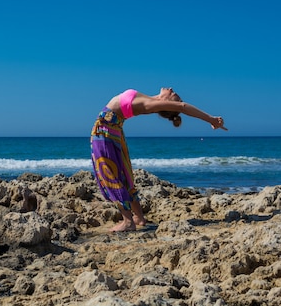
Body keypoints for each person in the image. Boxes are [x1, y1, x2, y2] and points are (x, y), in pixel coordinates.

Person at [90, 88, 227, 232]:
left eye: (175, 95)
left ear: (167, 103)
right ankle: (139, 217)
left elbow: (183, 107)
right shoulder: (150, 100)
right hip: (112, 131)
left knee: (111, 175)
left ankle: (128, 221)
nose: (173, 90)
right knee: (123, 174)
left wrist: (211, 119)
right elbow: (178, 105)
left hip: (105, 131)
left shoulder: (150, 105)